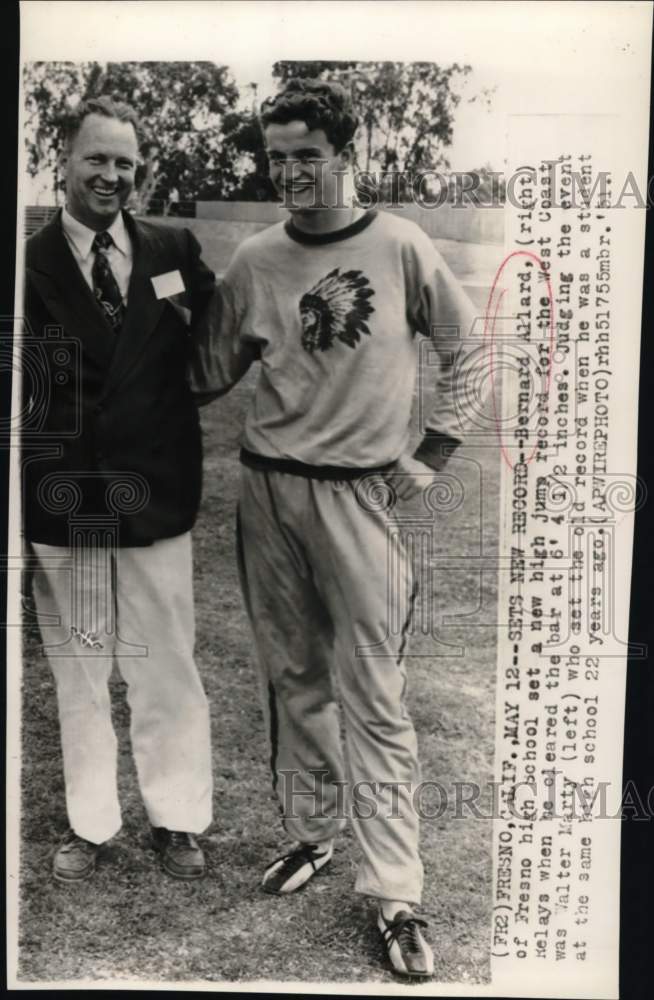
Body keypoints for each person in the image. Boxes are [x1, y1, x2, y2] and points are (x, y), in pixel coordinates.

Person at [190, 78, 476, 978]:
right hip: (270, 492)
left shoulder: (400, 246)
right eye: (277, 158)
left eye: (307, 156)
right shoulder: (257, 260)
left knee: (377, 698)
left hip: (360, 498)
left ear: (346, 153)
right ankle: (311, 834)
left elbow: (468, 346)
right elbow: (205, 374)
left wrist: (431, 452)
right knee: (293, 677)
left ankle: (396, 894)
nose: (291, 174)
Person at [23, 96, 215, 883]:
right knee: (79, 665)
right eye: (96, 159)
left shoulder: (175, 251)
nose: (111, 175)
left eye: (125, 163)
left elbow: (208, 350)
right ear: (63, 162)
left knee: (167, 663)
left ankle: (177, 819)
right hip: (64, 497)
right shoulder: (27, 264)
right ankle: (90, 825)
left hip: (156, 493)